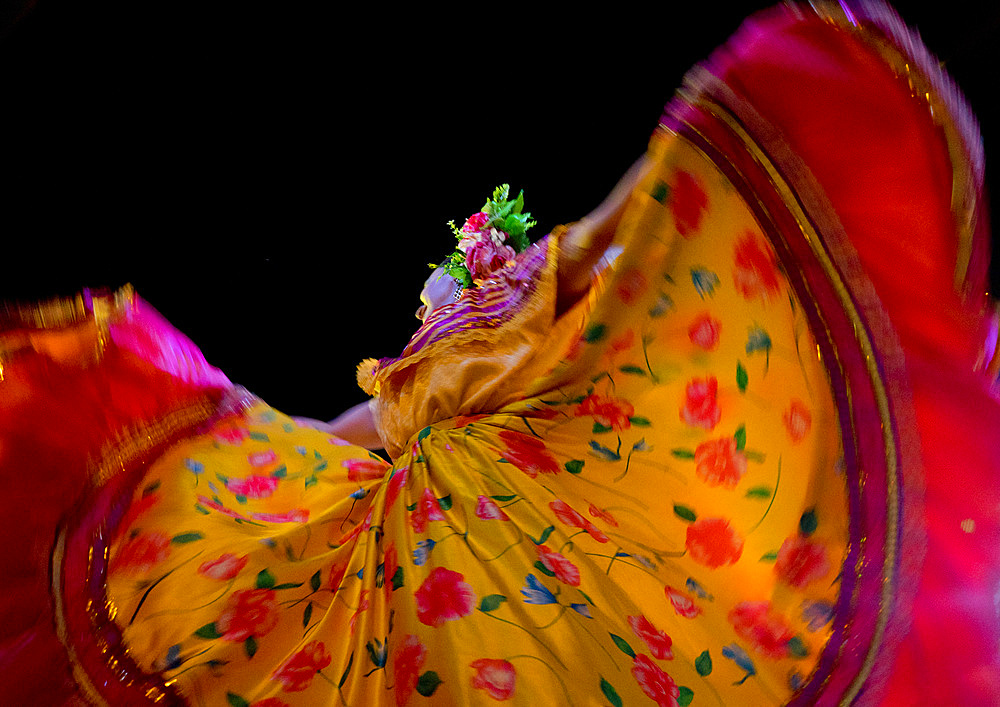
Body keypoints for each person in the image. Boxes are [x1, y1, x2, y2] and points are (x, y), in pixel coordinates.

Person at [2, 2, 999, 705]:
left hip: (519, 581)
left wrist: (730, 108)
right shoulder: (432, 361)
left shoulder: (563, 304)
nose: (458, 284)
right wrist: (230, 442)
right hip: (388, 567)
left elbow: (641, 229)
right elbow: (349, 435)